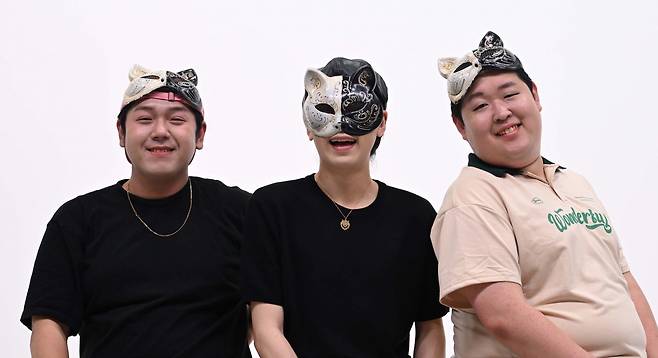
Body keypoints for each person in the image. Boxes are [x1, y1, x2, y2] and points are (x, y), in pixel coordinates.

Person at [431, 31, 658, 357]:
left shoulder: (574, 183)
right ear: (461, 127)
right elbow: (503, 316)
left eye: (509, 95)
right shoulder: (473, 196)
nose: (501, 112)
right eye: (480, 105)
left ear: (535, 95)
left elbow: (624, 284)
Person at [21, 65, 251, 357]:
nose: (160, 132)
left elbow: (272, 310)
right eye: (144, 119)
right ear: (121, 132)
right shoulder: (77, 220)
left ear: (200, 134)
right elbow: (49, 324)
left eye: (177, 120)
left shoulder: (240, 211)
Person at [241, 57, 449, 357]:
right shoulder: (272, 208)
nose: (340, 126)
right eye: (325, 111)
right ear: (308, 125)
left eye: (356, 111)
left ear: (382, 123)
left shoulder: (415, 216)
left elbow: (430, 327)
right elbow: (266, 328)